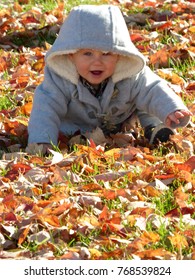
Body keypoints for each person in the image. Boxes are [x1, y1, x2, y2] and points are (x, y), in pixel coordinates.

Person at [27, 4, 192, 153]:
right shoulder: (60, 78)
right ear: (71, 55)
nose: (97, 62)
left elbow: (153, 88)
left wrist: (172, 109)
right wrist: (41, 141)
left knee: (146, 101)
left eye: (106, 54)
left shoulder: (130, 72)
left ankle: (156, 127)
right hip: (78, 129)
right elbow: (45, 108)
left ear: (119, 55)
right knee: (53, 116)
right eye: (87, 53)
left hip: (121, 122)